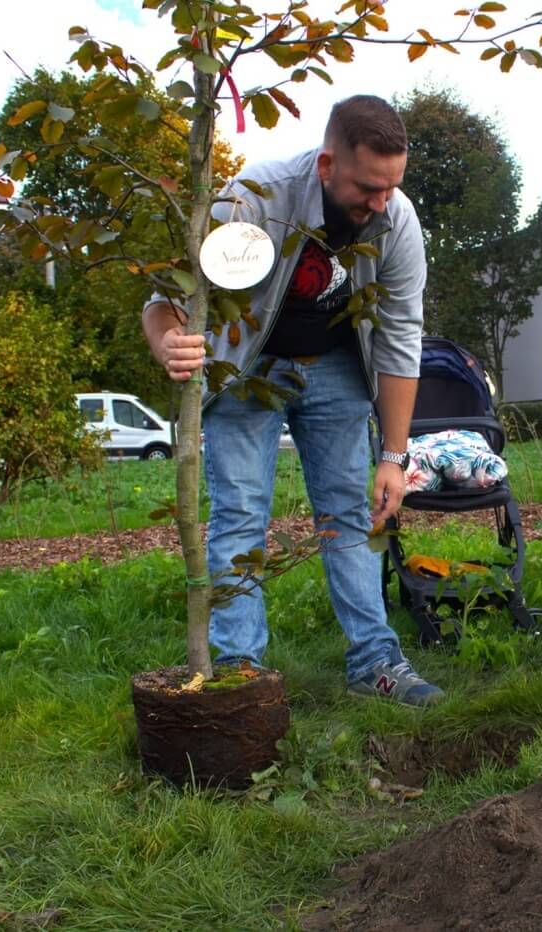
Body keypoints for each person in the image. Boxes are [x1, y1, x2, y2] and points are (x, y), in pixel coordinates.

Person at [141, 95, 443, 707]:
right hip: (249, 368)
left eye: (392, 187)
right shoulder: (252, 200)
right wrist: (167, 341)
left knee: (349, 517)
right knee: (241, 517)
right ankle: (240, 674)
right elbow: (166, 298)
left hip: (336, 370)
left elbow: (401, 339)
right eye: (368, 187)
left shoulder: (397, 219)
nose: (381, 203)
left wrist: (393, 453)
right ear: (328, 165)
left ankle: (374, 662)